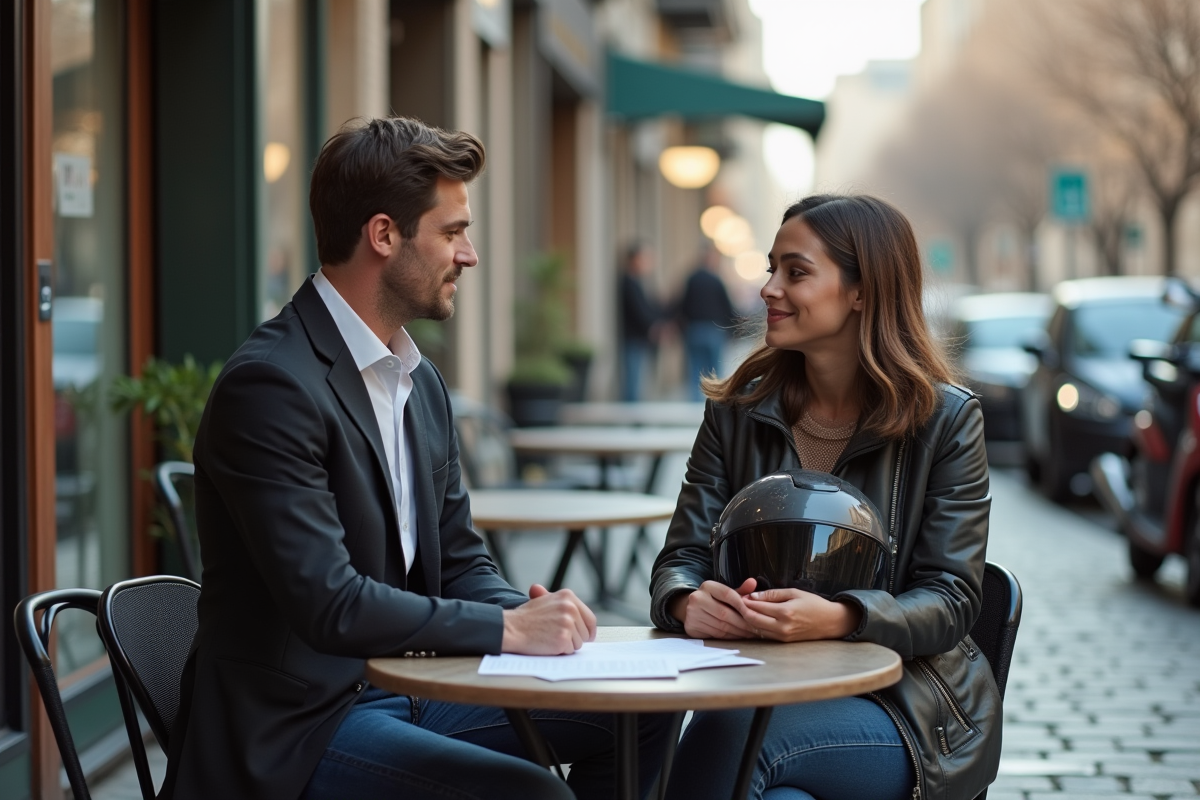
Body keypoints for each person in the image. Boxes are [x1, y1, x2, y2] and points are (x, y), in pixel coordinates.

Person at [162, 117, 667, 800]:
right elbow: (330, 604)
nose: (470, 255)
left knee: (638, 714)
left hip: (406, 691)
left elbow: (459, 560)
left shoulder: (416, 380)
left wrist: (531, 615)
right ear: (383, 236)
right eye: (453, 232)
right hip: (298, 730)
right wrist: (504, 628)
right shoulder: (272, 387)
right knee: (531, 795)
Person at [650, 195, 1000, 800]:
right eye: (771, 268)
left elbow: (953, 598)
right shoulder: (736, 412)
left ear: (862, 291)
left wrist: (843, 618)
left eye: (797, 271)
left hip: (903, 706)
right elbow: (680, 558)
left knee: (730, 738)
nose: (768, 289)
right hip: (760, 686)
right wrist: (686, 602)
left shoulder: (945, 421)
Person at [676, 246, 736, 400]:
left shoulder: (691, 279)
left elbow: (682, 304)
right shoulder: (717, 281)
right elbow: (727, 307)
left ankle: (695, 403)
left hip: (694, 329)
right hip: (713, 330)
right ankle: (714, 403)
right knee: (714, 370)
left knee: (695, 369)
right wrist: (732, 329)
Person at [618, 241, 663, 401]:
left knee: (636, 380)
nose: (647, 263)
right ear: (634, 259)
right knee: (632, 380)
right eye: (644, 258)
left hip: (639, 339)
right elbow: (639, 311)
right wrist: (652, 326)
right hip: (633, 338)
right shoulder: (628, 282)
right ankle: (629, 416)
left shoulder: (637, 282)